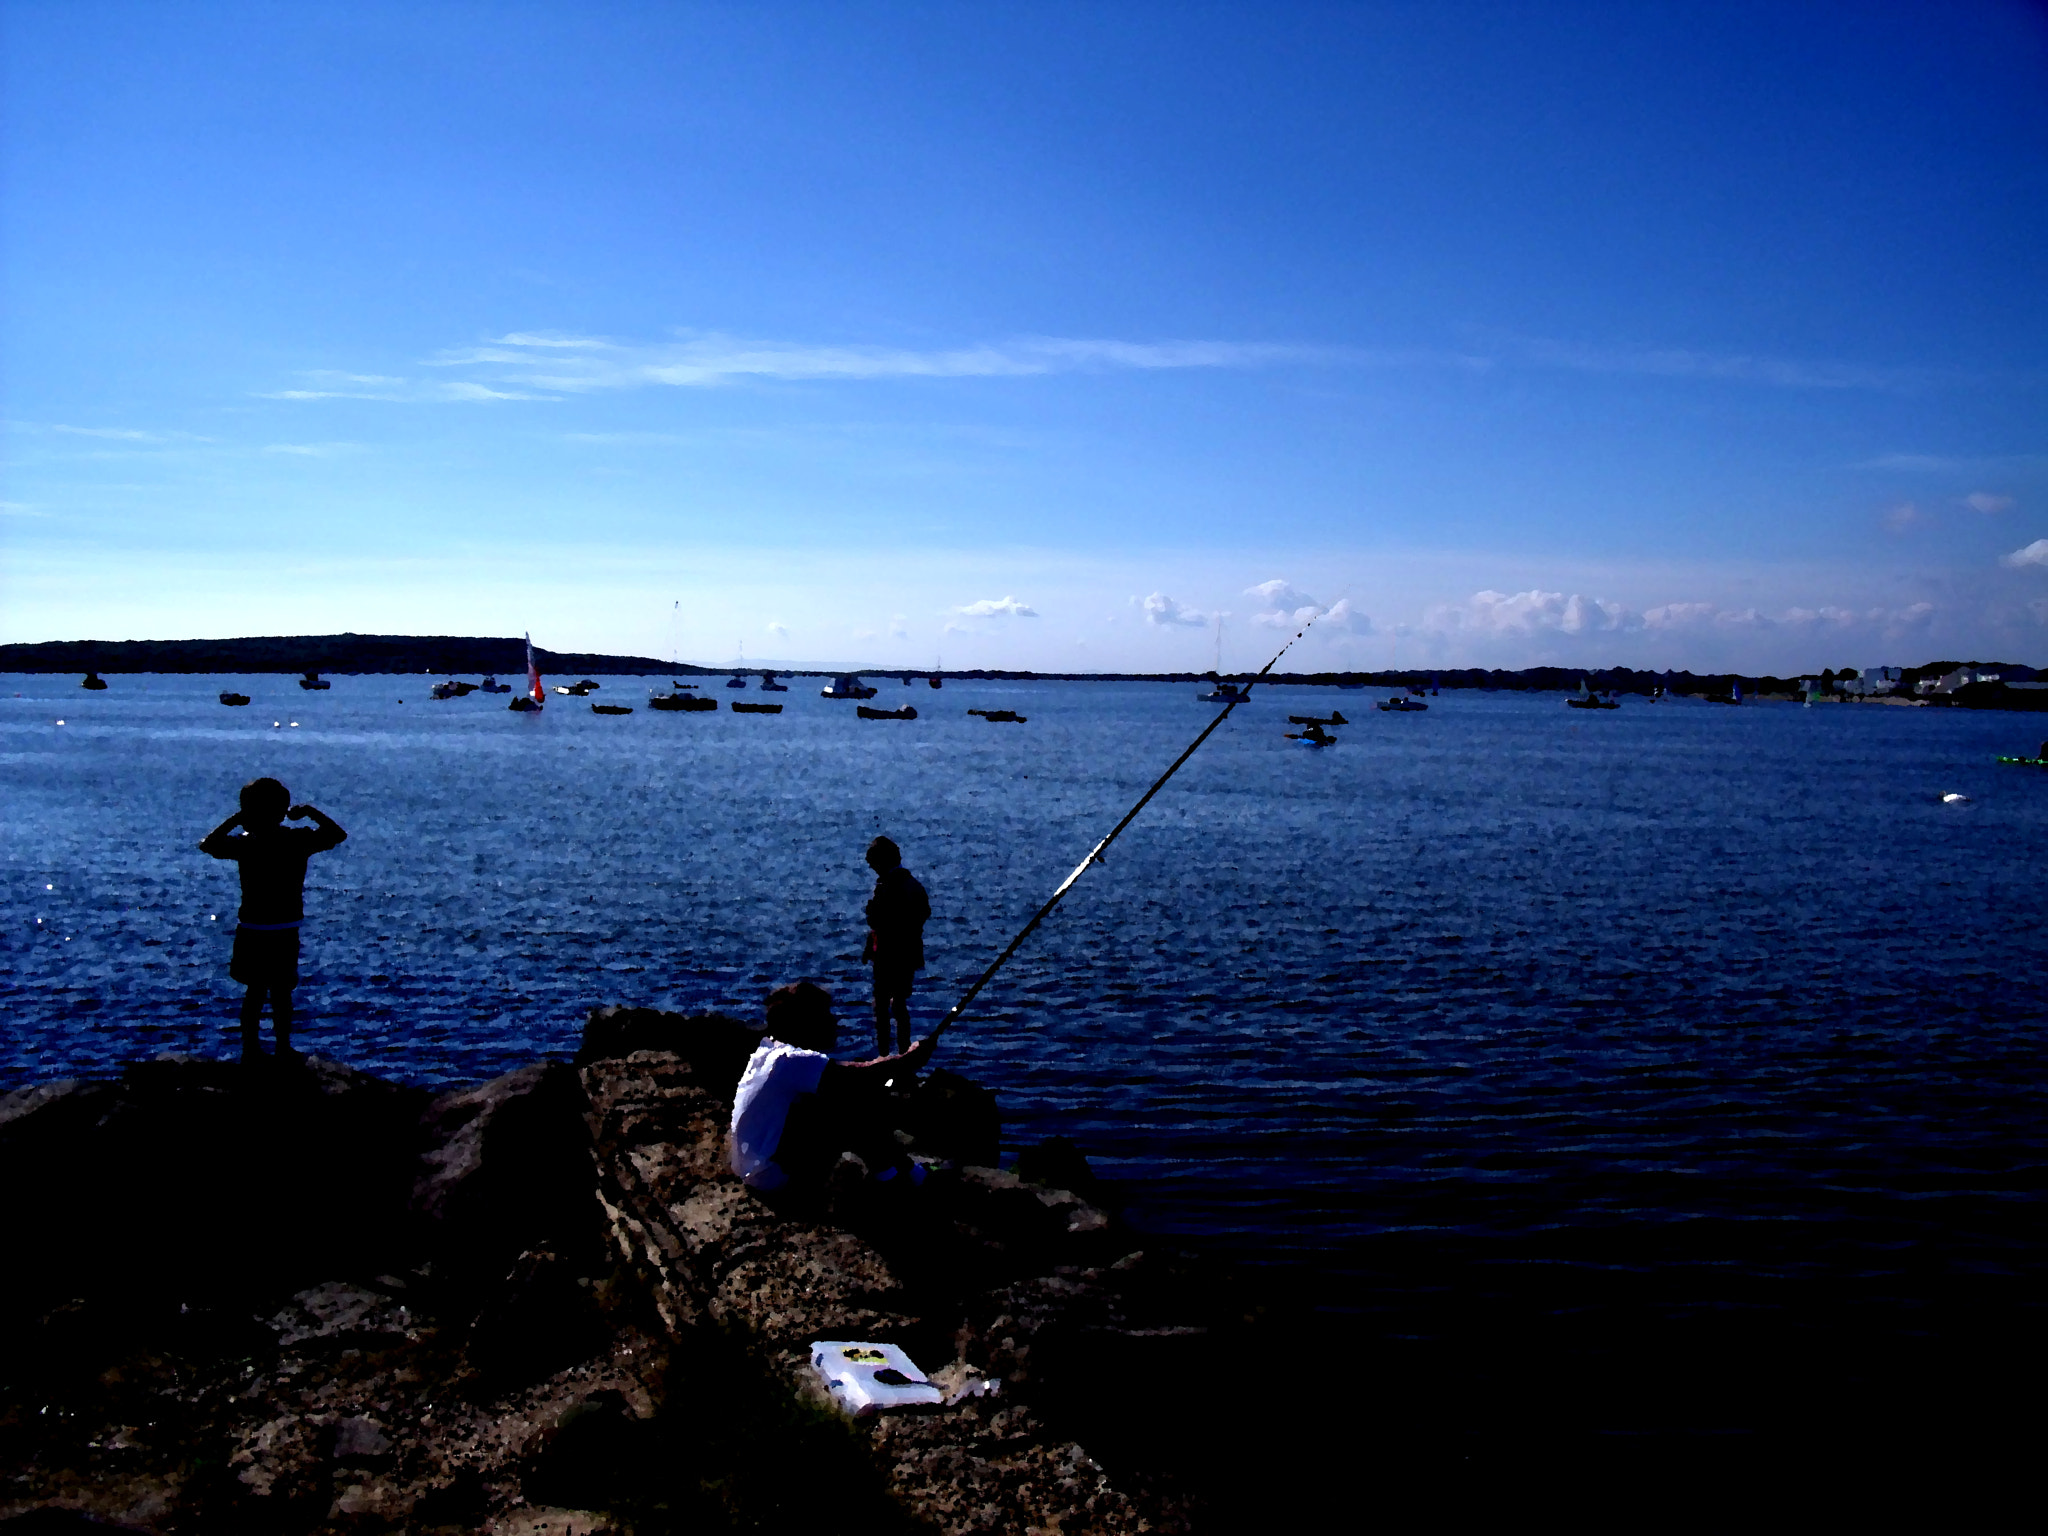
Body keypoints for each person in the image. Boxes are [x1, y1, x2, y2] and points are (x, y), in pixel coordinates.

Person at [729, 981, 934, 1193]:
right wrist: (907, 1060)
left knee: (843, 1095)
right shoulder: (791, 1060)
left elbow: (843, 1076)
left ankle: (902, 1173)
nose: (834, 1021)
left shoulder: (768, 1053)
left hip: (755, 1169)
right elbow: (854, 1075)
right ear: (803, 1023)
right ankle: (900, 1180)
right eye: (824, 1014)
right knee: (852, 1105)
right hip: (774, 1176)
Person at [199, 778, 347, 1061]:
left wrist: (237, 819)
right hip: (284, 928)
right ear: (282, 810)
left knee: (255, 991)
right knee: (281, 992)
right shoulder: (296, 840)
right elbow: (336, 834)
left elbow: (209, 844)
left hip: (254, 928)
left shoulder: (247, 844)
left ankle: (251, 1048)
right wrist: (310, 812)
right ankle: (281, 1047)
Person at [861, 835, 930, 1055]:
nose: (871, 867)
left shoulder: (898, 885)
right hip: (895, 953)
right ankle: (897, 1054)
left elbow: (886, 919)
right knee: (892, 1004)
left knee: (889, 1005)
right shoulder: (903, 883)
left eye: (873, 862)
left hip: (895, 954)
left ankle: (892, 1055)